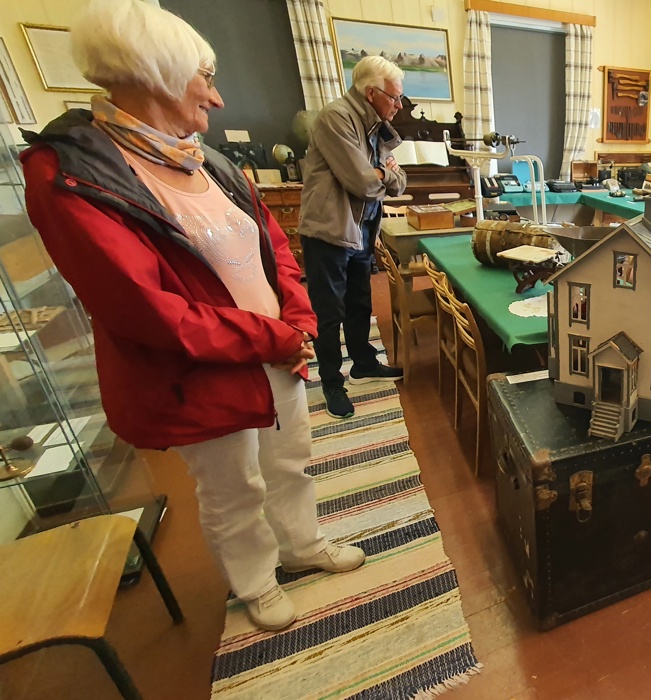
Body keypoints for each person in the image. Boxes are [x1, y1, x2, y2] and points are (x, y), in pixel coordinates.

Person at [21, 0, 364, 632]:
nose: (217, 98)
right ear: (154, 75)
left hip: (276, 350)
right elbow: (147, 309)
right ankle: (256, 582)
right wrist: (275, 336)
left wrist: (297, 319)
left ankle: (302, 545)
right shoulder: (70, 173)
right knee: (233, 487)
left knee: (288, 461)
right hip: (201, 370)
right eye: (205, 78)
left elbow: (272, 246)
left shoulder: (205, 158)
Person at [299, 55, 408, 419]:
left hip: (363, 229)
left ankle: (363, 363)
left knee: (360, 302)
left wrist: (382, 174)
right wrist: (381, 173)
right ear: (371, 93)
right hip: (330, 231)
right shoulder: (336, 117)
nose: (399, 105)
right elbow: (362, 183)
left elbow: (399, 182)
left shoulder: (374, 125)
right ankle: (332, 382)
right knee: (329, 312)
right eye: (394, 97)